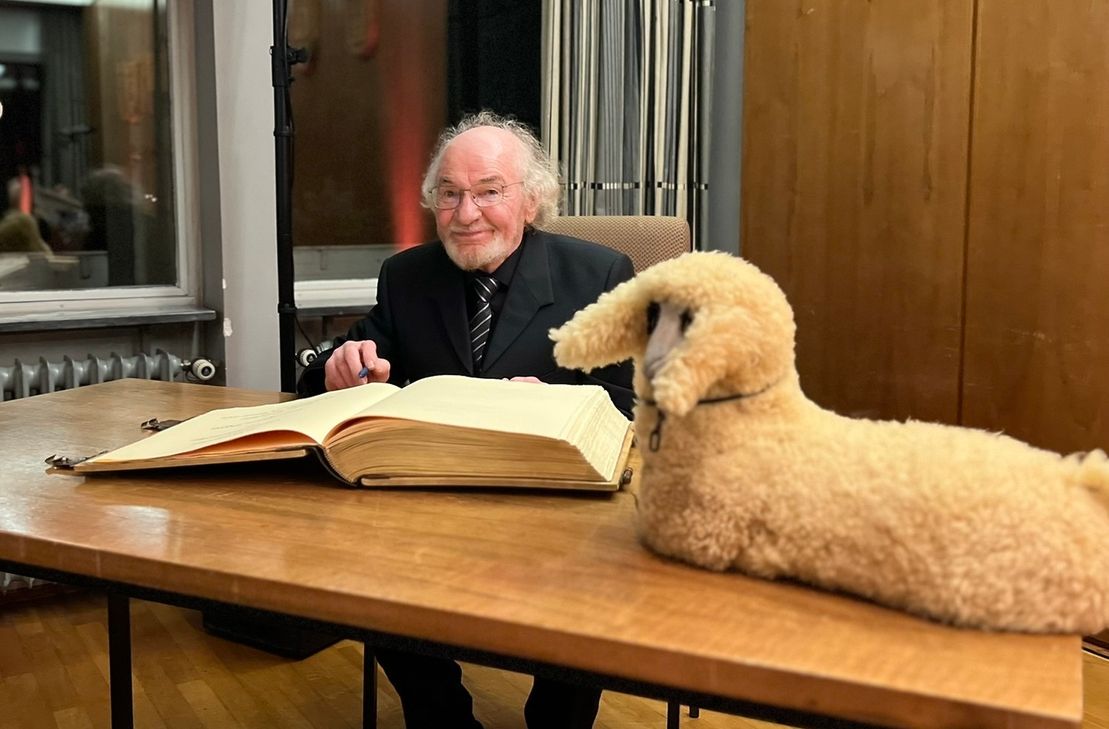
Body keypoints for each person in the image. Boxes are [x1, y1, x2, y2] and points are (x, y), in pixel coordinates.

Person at [298, 110, 634, 728]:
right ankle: (441, 714)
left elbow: (635, 401)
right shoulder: (406, 276)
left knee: (591, 582)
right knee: (368, 569)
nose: (466, 213)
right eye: (449, 194)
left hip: (552, 508)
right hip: (430, 505)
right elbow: (340, 369)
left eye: (488, 192)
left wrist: (561, 401)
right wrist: (338, 366)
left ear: (532, 202)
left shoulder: (600, 275)